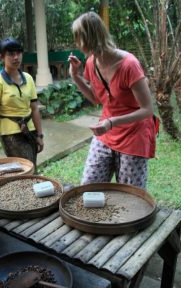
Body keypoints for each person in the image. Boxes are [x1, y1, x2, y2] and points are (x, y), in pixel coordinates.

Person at [69, 12, 156, 189]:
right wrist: (75, 76)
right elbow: (95, 98)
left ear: (89, 37)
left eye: (78, 38)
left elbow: (147, 109)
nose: (76, 43)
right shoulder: (92, 63)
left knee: (130, 195)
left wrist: (112, 121)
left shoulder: (129, 65)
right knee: (89, 186)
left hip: (134, 134)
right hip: (107, 133)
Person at [0, 38, 44, 170]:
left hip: (30, 130)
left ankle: (31, 189)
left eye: (18, 53)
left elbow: (35, 109)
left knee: (31, 167)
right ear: (2, 57)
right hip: (10, 135)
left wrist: (39, 135)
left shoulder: (29, 78)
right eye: (10, 54)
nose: (16, 57)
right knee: (26, 169)